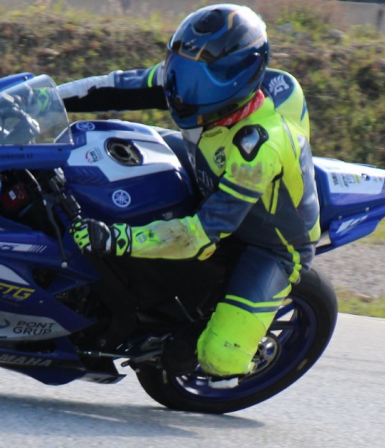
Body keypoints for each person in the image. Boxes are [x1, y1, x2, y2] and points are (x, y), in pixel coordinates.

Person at [61, 4, 320, 386]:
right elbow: (116, 84)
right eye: (181, 69)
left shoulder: (258, 151)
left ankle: (200, 346)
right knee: (104, 150)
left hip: (268, 243)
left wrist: (117, 238)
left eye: (199, 79)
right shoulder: (189, 82)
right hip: (208, 174)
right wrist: (39, 100)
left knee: (219, 361)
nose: (182, 92)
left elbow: (200, 235)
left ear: (238, 79)